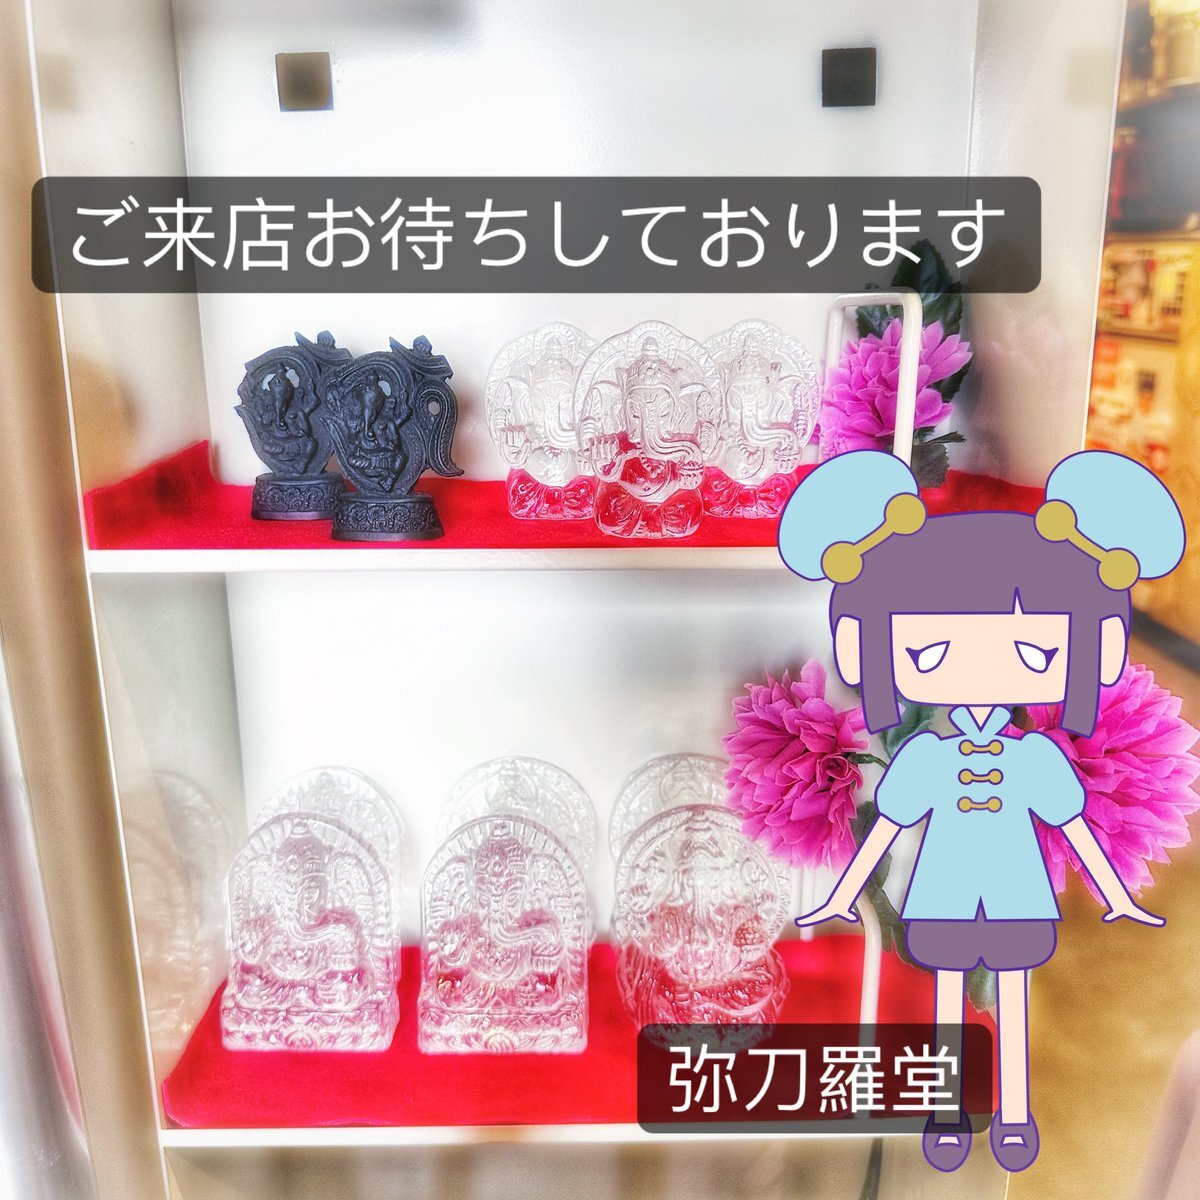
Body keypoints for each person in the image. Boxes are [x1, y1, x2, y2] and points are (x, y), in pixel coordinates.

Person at [778, 449, 1186, 1173]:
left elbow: (1072, 827)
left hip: (1015, 894)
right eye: (931, 651)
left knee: (1010, 999)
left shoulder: (1031, 759)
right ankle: (947, 1108)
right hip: (943, 892)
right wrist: (845, 894)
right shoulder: (930, 759)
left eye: (1032, 651)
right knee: (950, 1001)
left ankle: (1013, 1113)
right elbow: (888, 828)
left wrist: (1116, 895)